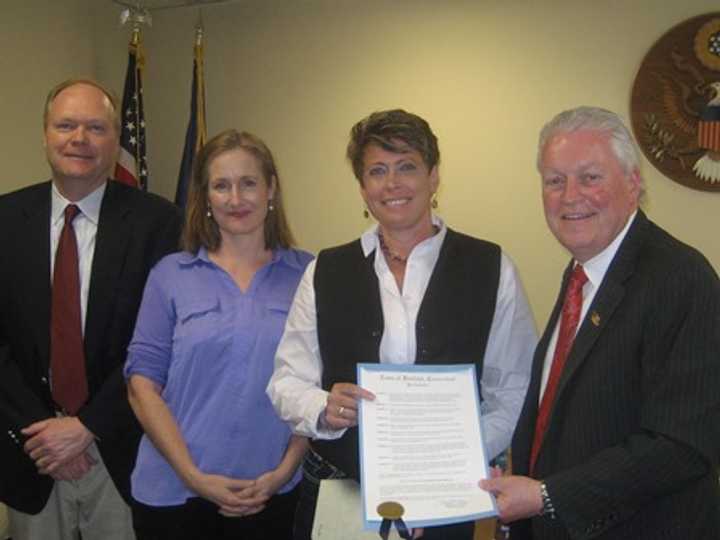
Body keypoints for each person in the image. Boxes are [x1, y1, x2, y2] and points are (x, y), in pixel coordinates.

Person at [267, 109, 536, 540]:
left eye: (407, 166)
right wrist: (322, 408)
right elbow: (285, 382)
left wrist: (457, 456)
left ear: (433, 177)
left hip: (447, 496)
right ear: (363, 188)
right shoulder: (326, 270)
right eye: (377, 171)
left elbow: (514, 387)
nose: (392, 184)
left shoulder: (491, 267)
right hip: (342, 490)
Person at [480, 106, 720, 539]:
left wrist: (548, 496)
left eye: (590, 177)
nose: (570, 196)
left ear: (633, 183)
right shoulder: (582, 274)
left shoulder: (681, 277)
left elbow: (681, 445)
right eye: (555, 181)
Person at [0, 79, 182, 540]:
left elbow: (163, 341)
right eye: (66, 125)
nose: (79, 138)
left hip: (120, 448)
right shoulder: (4, 219)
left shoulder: (160, 224)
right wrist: (44, 434)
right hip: (31, 451)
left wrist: (87, 427)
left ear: (116, 140)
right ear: (45, 134)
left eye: (95, 127)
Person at [125, 129, 312, 540]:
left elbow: (317, 386)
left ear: (271, 189)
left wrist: (284, 471)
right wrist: (193, 477)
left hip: (272, 492)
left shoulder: (310, 275)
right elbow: (142, 386)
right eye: (221, 186)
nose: (236, 198)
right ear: (205, 197)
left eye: (248, 183)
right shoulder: (170, 276)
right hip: (174, 494)